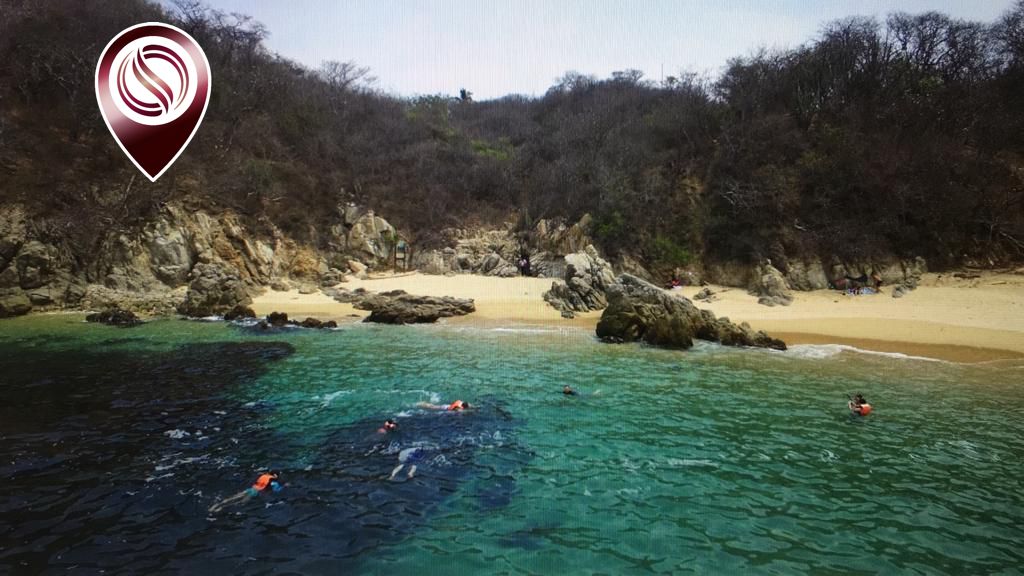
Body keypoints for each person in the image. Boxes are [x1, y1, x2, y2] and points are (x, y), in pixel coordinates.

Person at [209, 471, 282, 513]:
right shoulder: (274, 482)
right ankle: (222, 508)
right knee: (241, 502)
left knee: (233, 497)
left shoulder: (263, 475)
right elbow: (276, 490)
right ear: (275, 475)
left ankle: (217, 505)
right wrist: (284, 486)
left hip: (249, 489)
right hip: (254, 492)